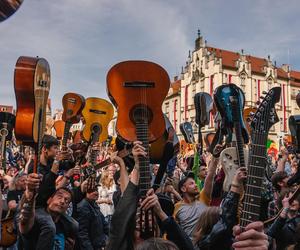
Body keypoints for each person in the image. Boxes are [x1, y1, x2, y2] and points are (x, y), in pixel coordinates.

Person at [18, 173, 78, 250]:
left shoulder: (67, 227)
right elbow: (25, 219)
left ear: (67, 208)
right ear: (49, 200)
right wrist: (29, 192)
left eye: (67, 201)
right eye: (59, 197)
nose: (62, 201)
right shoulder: (36, 221)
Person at [173, 149, 219, 239]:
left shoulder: (203, 198)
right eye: (191, 184)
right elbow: (174, 232)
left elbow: (210, 177)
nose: (196, 185)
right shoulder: (176, 208)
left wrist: (215, 157)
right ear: (183, 188)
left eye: (195, 183)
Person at [76, 178, 109, 249]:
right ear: (85, 192)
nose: (96, 192)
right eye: (92, 191)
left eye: (96, 190)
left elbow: (104, 224)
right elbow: (82, 234)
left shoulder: (94, 204)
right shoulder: (83, 207)